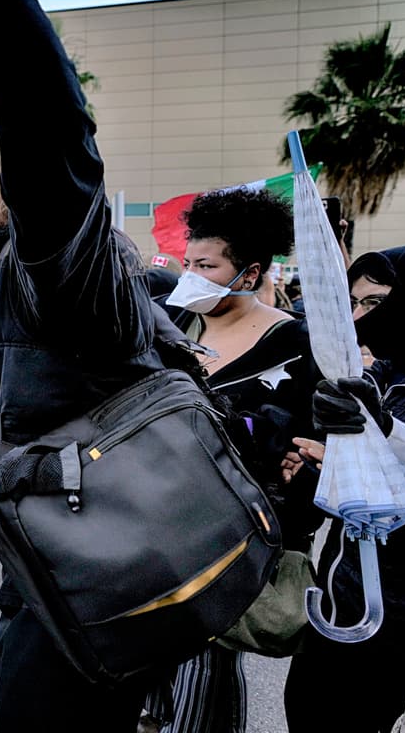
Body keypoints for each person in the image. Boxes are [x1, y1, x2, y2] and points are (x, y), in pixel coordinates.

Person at [0, 0, 174, 728]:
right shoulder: (27, 278)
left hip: (84, 594)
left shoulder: (61, 259)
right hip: (55, 577)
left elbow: (45, 111)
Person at [146, 188, 322, 733]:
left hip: (232, 538)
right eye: (187, 263)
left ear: (248, 273)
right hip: (150, 523)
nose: (191, 276)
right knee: (144, 671)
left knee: (204, 673)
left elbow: (306, 445)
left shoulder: (295, 342)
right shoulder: (174, 326)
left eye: (206, 265)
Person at [282, 245, 405, 733]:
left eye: (376, 303)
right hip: (341, 604)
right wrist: (315, 472)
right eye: (353, 304)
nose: (361, 318)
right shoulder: (378, 377)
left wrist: (376, 459)